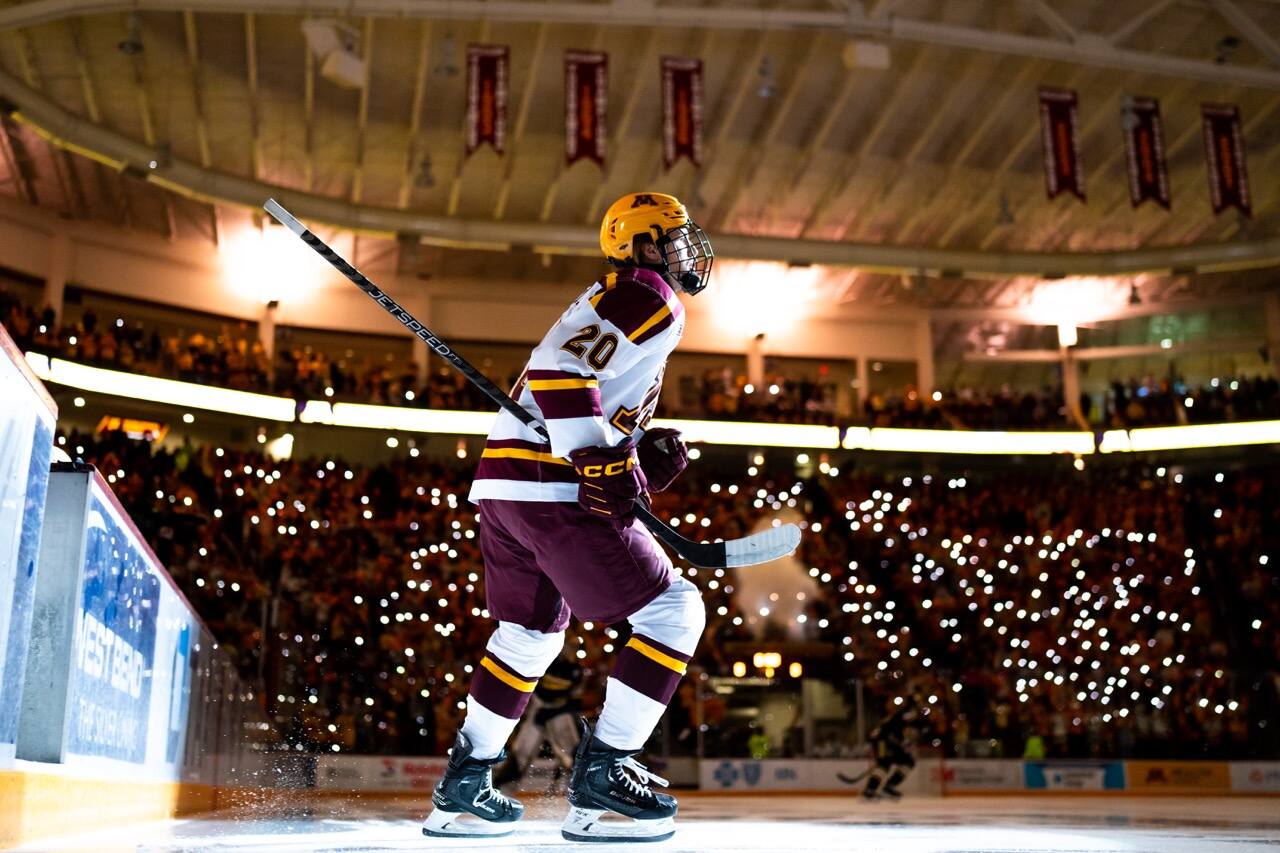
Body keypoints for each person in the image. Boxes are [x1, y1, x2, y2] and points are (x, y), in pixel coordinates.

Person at [422, 192, 715, 843]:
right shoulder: (650, 295)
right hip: (549, 487)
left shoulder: (611, 296)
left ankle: (463, 786)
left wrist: (628, 454)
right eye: (672, 238)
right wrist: (597, 457)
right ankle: (604, 779)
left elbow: (574, 385)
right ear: (642, 245)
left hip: (504, 487)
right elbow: (561, 372)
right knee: (675, 611)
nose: (683, 251)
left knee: (528, 635)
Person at [493, 650, 585, 792]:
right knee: (522, 752)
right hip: (537, 709)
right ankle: (502, 789)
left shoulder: (576, 671)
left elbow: (577, 701)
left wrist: (552, 712)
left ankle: (582, 789)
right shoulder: (543, 663)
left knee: (571, 752)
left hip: (560, 712)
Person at [863, 696, 922, 801]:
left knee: (908, 762)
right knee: (884, 765)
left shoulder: (901, 715)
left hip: (891, 743)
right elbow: (908, 719)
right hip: (883, 742)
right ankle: (870, 790)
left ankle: (887, 787)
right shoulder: (906, 712)